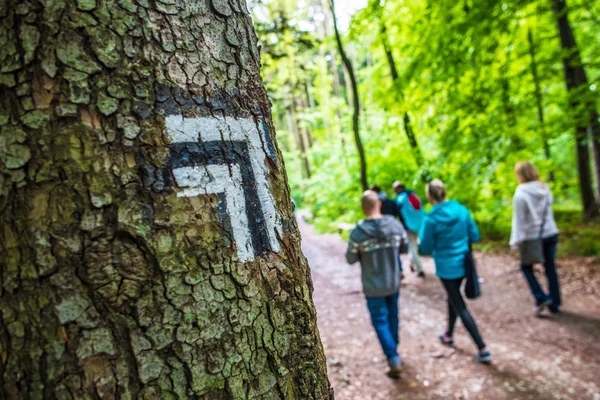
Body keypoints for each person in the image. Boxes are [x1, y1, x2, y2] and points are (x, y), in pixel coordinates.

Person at [419, 179, 491, 363]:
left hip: (446, 268)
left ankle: (482, 348)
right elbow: (474, 235)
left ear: (429, 196)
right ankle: (448, 335)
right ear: (444, 191)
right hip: (464, 264)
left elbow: (425, 247)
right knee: (453, 298)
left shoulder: (431, 219)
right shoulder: (461, 210)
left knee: (459, 304)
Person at [345, 190, 408, 379]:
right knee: (393, 316)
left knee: (380, 321)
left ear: (363, 208)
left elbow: (350, 258)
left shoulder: (358, 233)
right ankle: (393, 350)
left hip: (373, 286)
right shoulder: (395, 225)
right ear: (379, 204)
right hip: (393, 282)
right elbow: (404, 248)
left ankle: (393, 357)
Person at [510, 161, 561, 316]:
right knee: (550, 267)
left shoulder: (521, 193)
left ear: (519, 175)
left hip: (532, 237)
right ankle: (555, 302)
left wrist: (515, 241)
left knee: (526, 268)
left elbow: (518, 220)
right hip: (551, 232)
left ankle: (540, 297)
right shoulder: (545, 189)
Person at [393, 181, 425, 277]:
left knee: (412, 246)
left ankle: (420, 269)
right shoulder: (414, 196)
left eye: (395, 189)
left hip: (409, 226)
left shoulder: (400, 199)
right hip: (419, 224)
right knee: (414, 245)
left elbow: (398, 213)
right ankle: (411, 264)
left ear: (399, 188)